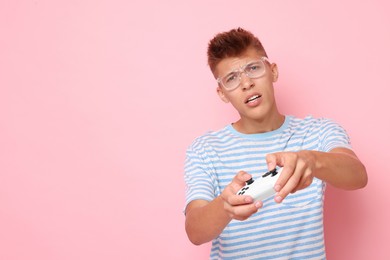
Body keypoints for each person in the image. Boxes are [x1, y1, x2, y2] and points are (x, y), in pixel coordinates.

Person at [183, 27, 367, 259]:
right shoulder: (205, 149)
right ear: (222, 93)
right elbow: (194, 231)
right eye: (232, 78)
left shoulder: (318, 132)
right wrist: (224, 205)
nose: (246, 83)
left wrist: (311, 160)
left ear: (273, 71)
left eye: (253, 68)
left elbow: (358, 175)